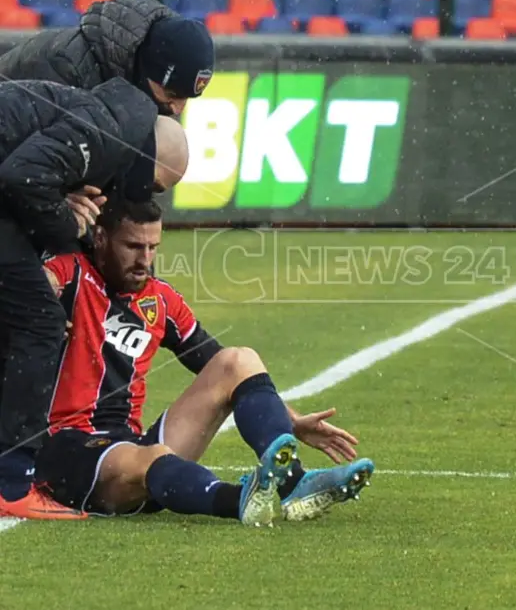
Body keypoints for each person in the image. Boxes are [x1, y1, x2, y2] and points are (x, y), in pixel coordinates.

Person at [16, 197, 374, 524]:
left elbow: (221, 366)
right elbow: (35, 283)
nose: (144, 260)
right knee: (149, 457)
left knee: (237, 360)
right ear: (100, 238)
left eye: (152, 247)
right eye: (133, 246)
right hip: (63, 448)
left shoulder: (161, 300)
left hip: (129, 443)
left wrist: (291, 420)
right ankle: (239, 501)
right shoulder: (70, 274)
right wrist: (40, 297)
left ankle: (293, 482)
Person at [0, 78, 190, 518]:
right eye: (153, 186)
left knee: (30, 316)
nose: (145, 195)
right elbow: (19, 176)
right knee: (40, 322)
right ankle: (11, 481)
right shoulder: (104, 135)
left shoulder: (100, 110)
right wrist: (61, 221)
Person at [0, 0, 214, 116]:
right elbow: (22, 167)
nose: (177, 109)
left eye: (187, 98)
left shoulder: (127, 76)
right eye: (172, 93)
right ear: (145, 68)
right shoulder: (64, 67)